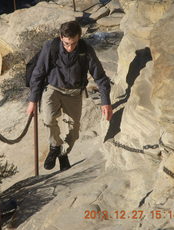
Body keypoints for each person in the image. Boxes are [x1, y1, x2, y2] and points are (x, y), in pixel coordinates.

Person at [26, 20, 113, 171]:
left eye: (73, 43)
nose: (70, 47)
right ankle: (55, 147)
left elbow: (100, 77)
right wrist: (33, 100)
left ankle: (63, 153)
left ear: (79, 37)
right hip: (52, 89)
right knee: (48, 119)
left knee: (74, 130)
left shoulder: (85, 50)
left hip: (74, 93)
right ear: (61, 37)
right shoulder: (50, 47)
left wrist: (106, 102)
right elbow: (38, 73)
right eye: (66, 43)